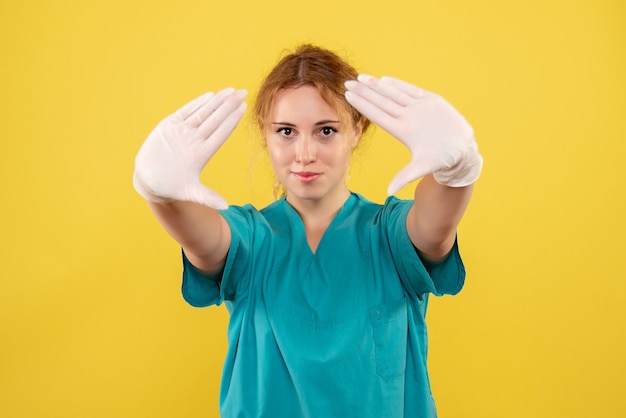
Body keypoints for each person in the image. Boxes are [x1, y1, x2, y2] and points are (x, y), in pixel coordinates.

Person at [133, 44, 482, 418]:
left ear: (356, 131)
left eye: (326, 131)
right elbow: (203, 240)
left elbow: (433, 228)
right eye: (286, 131)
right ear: (265, 136)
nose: (304, 153)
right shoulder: (253, 239)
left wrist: (456, 171)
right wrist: (160, 192)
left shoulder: (388, 236)